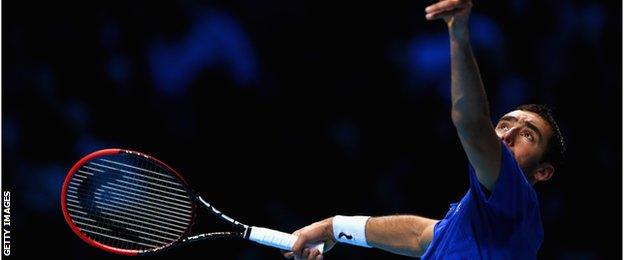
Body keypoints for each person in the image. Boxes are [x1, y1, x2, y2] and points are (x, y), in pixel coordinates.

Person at [282, 0, 566, 259]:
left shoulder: (517, 203)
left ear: (543, 172)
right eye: (503, 124)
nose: (507, 135)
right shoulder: (483, 217)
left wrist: (458, 33)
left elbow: (472, 124)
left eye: (528, 134)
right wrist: (334, 227)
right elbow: (421, 236)